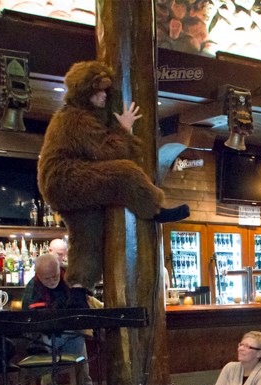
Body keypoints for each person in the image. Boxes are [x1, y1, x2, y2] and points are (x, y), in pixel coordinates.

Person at [37, 60, 189, 289]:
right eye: (98, 92)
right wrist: (124, 129)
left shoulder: (70, 116)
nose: (103, 97)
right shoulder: (75, 119)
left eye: (105, 91)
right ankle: (154, 208)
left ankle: (78, 290)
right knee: (123, 173)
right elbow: (108, 151)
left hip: (61, 184)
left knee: (87, 232)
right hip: (65, 177)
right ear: (84, 93)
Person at [21, 253, 95, 385]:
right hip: (46, 335)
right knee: (49, 374)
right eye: (47, 278)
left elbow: (83, 304)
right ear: (38, 275)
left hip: (72, 331)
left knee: (83, 372)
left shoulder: (71, 281)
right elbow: (28, 321)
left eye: (55, 276)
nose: (52, 281)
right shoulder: (32, 288)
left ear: (59, 269)